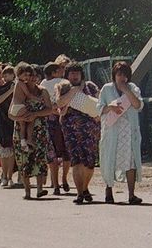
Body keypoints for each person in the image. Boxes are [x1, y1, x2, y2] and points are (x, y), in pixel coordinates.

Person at [97, 62, 144, 204]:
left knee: (131, 161)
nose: (122, 77)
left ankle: (131, 194)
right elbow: (99, 108)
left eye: (124, 75)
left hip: (129, 131)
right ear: (114, 75)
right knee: (109, 159)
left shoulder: (133, 88)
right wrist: (110, 107)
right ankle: (109, 190)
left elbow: (138, 105)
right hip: (112, 131)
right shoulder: (106, 89)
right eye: (119, 74)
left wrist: (127, 91)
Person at [57, 62, 100, 204]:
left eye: (77, 73)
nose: (75, 75)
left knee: (90, 162)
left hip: (90, 129)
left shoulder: (91, 86)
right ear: (67, 75)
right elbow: (60, 103)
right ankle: (80, 193)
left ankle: (85, 187)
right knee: (76, 161)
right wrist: (76, 90)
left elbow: (99, 104)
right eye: (71, 73)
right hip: (71, 129)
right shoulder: (63, 87)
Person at [9, 65, 53, 199]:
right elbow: (10, 113)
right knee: (23, 159)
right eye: (30, 76)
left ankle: (39, 189)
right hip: (20, 128)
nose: (32, 79)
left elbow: (49, 109)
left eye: (35, 76)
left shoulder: (43, 91)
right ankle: (27, 190)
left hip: (39, 130)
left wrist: (36, 114)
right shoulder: (20, 90)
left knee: (39, 158)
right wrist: (21, 118)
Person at [40, 61, 71, 195]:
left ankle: (55, 184)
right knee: (66, 151)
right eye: (60, 70)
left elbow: (41, 103)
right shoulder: (64, 82)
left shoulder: (41, 85)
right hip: (63, 118)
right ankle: (64, 178)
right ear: (54, 72)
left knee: (51, 153)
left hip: (49, 119)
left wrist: (51, 110)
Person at [9, 62, 38, 151]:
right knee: (31, 119)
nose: (27, 77)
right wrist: (38, 98)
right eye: (25, 75)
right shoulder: (20, 83)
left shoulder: (16, 83)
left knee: (23, 126)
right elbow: (28, 94)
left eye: (28, 75)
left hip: (15, 107)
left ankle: (23, 143)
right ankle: (29, 138)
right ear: (19, 73)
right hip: (19, 106)